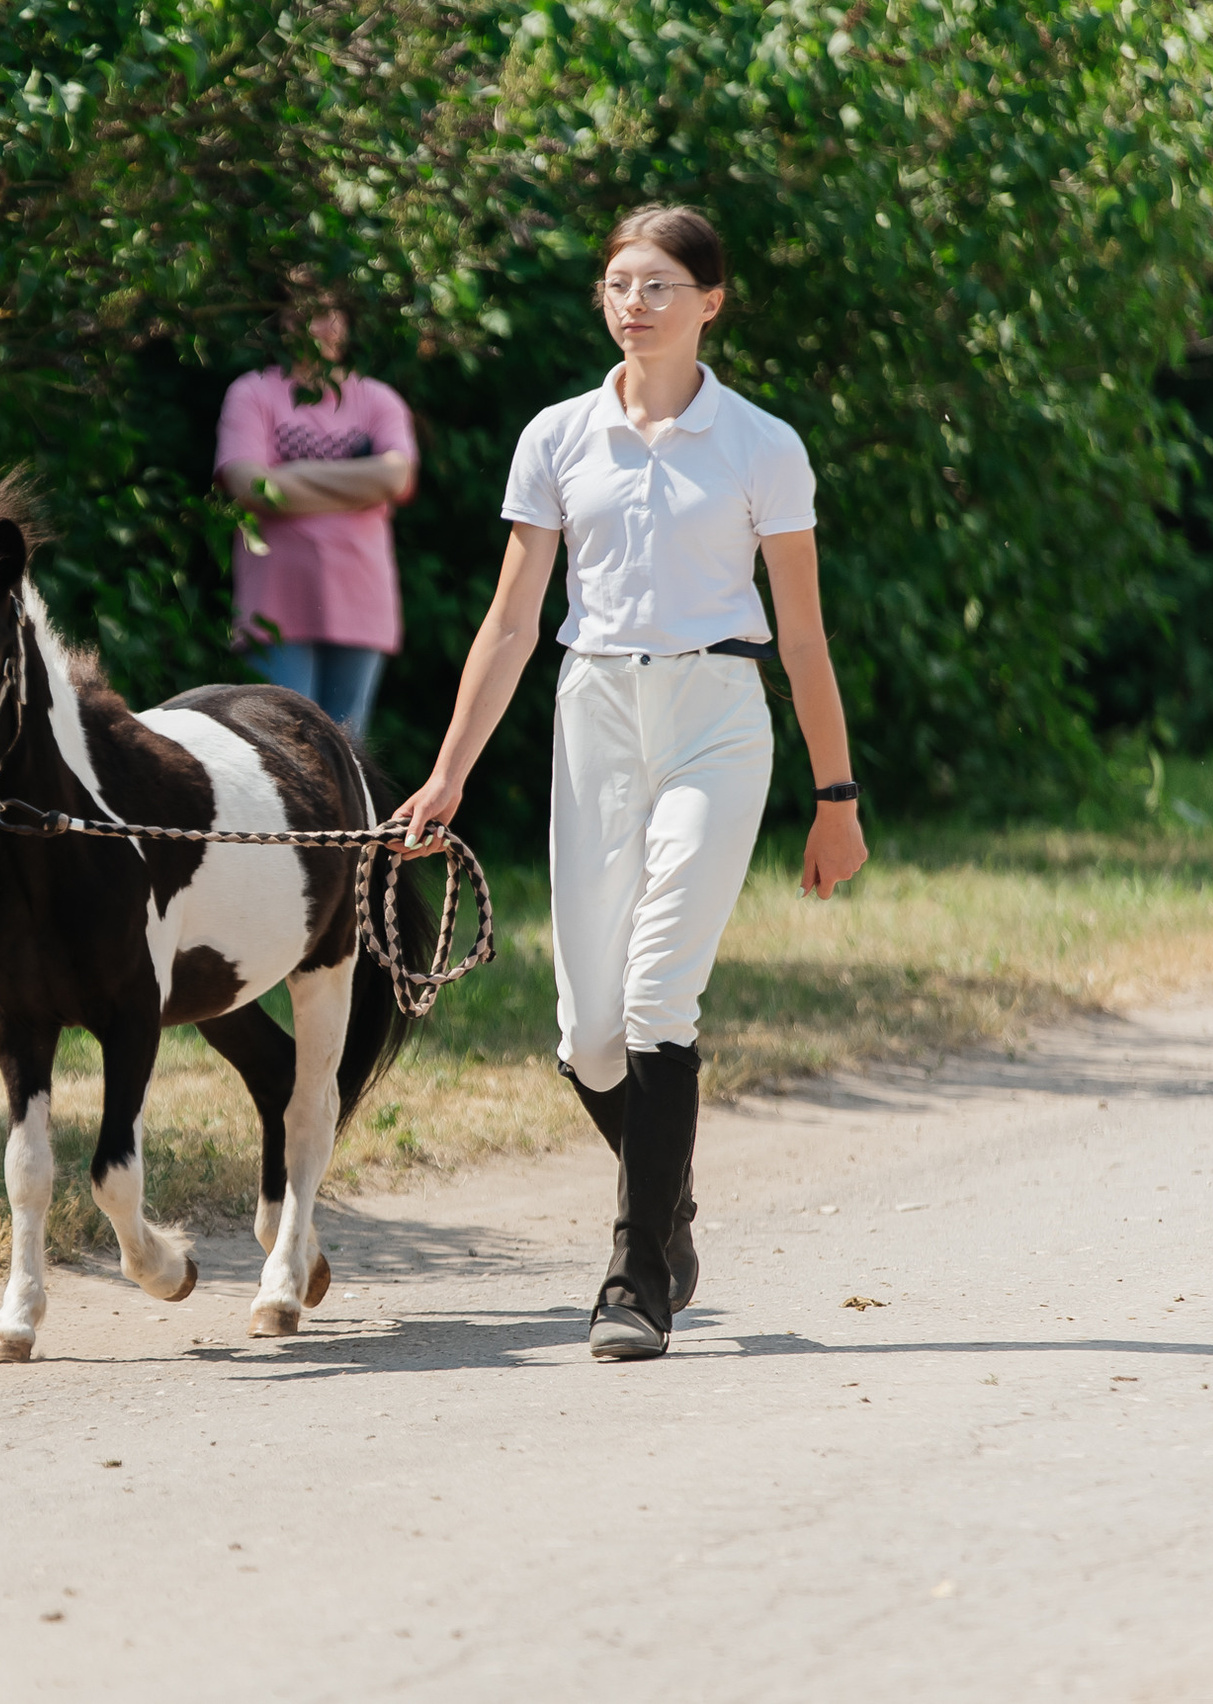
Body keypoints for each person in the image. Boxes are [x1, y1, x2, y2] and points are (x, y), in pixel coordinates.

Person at [392, 205, 869, 1362]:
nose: (633, 303)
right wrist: (449, 772)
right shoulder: (557, 436)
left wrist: (836, 796)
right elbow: (511, 625)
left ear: (711, 300)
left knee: (657, 1000)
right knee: (589, 1039)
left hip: (716, 717)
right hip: (593, 713)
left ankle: (635, 1277)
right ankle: (669, 1195)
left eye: (659, 285)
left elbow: (802, 639)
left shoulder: (763, 445)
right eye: (618, 283)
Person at [214, 297, 417, 736]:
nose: (318, 327)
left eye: (329, 313)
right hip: (274, 602)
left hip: (361, 600)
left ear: (346, 322)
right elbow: (249, 486)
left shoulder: (377, 399)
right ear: (283, 322)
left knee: (347, 752)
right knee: (279, 747)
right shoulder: (253, 392)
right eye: (303, 315)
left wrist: (295, 476)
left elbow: (396, 478)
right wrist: (356, 484)